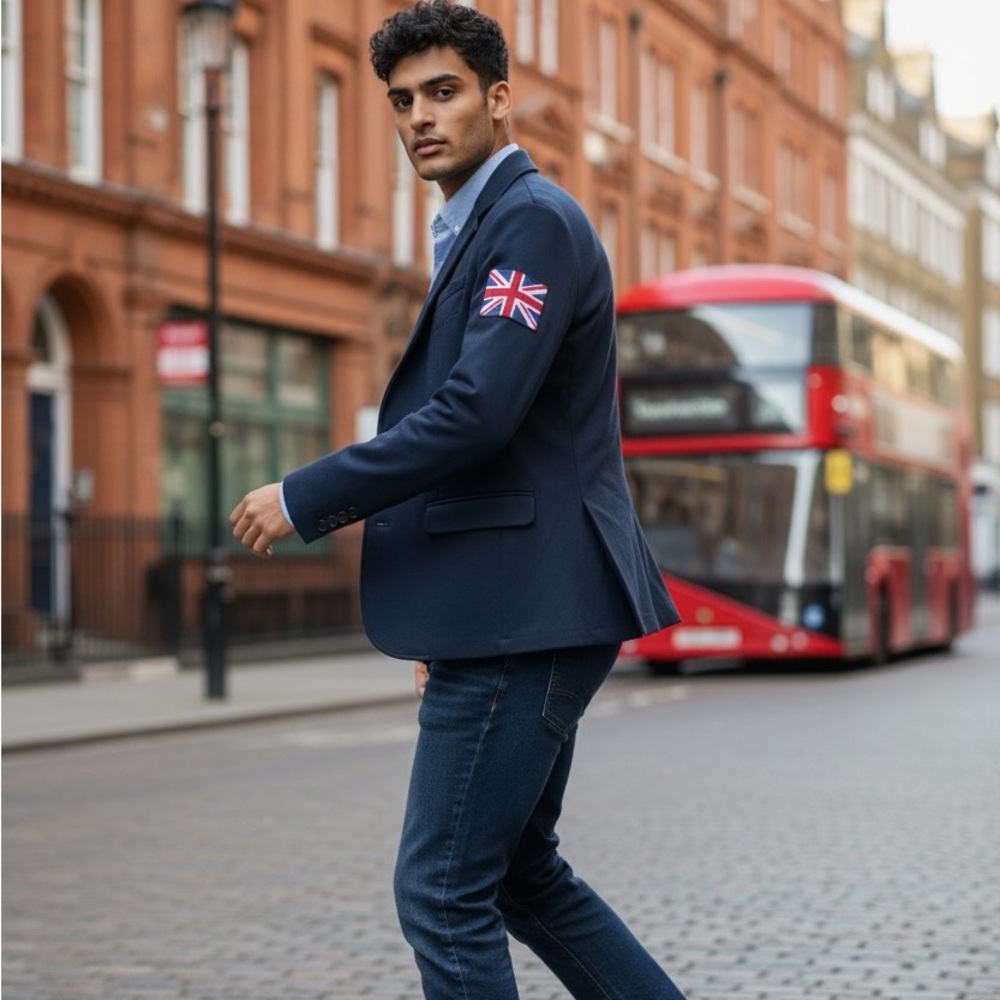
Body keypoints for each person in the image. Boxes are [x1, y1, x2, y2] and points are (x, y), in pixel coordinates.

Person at [230, 2, 685, 996]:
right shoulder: (487, 223)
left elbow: (478, 413)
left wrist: (306, 495)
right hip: (515, 606)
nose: (420, 117)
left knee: (441, 891)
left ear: (498, 97)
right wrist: (447, 619)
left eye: (443, 92)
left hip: (530, 612)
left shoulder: (529, 221)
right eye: (402, 101)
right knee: (520, 876)